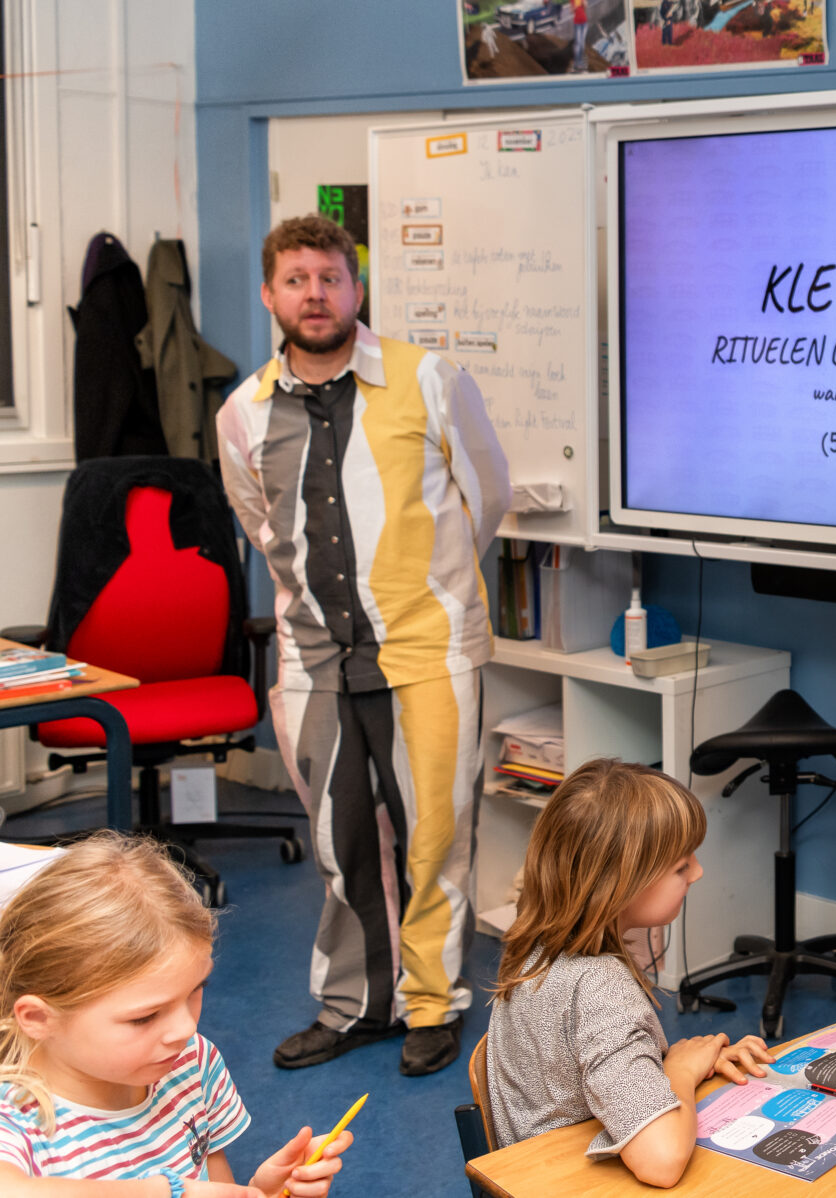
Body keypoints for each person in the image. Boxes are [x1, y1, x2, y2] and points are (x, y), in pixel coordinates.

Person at [217, 214, 510, 1078]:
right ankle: (356, 1006)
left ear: (357, 289)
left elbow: (484, 497)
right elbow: (262, 527)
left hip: (429, 651)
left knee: (434, 839)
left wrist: (430, 589)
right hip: (312, 663)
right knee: (344, 844)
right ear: (271, 295)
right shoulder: (244, 413)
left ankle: (432, 1003)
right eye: (297, 280)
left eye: (331, 278)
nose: (316, 294)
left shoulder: (428, 378)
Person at [0, 835, 354, 1195]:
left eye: (196, 990)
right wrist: (168, 1192)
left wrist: (264, 1192)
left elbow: (215, 1184)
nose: (185, 1029)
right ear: (38, 1018)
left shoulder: (189, 1062)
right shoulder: (15, 1122)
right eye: (145, 1017)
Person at [486, 758, 774, 1188]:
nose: (698, 872)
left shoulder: (535, 947)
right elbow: (661, 1163)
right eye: (681, 866)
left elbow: (593, 1053)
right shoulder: (600, 985)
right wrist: (678, 1070)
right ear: (620, 883)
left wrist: (670, 1066)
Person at [569, 0, 589, 72]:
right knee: (578, 43)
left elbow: (586, 7)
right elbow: (571, 11)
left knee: (582, 44)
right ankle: (576, 63)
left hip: (584, 23)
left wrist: (584, 3)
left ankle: (580, 63)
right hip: (577, 23)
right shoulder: (572, 0)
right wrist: (575, 7)